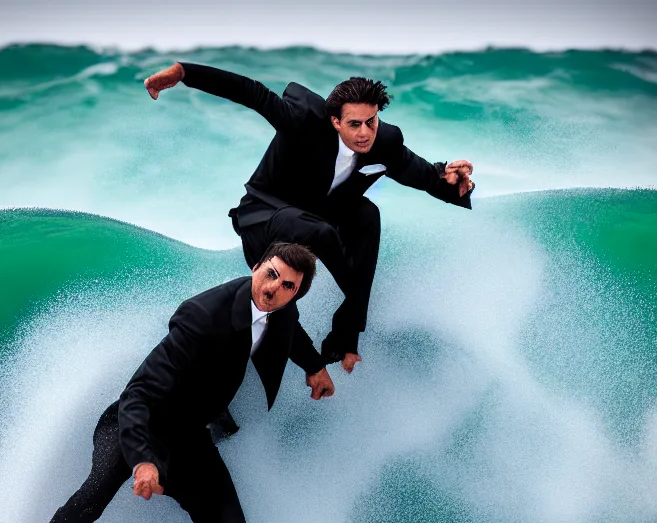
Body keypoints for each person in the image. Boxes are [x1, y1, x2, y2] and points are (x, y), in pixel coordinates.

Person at [11, 242, 333, 523]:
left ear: (295, 294)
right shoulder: (202, 315)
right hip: (139, 421)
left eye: (288, 286)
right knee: (90, 499)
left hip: (188, 434)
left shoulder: (283, 308)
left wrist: (315, 367)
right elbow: (138, 395)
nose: (274, 288)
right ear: (256, 265)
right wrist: (144, 460)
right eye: (270, 274)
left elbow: (290, 332)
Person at [144, 62, 475, 371]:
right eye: (355, 124)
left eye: (371, 122)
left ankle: (342, 340)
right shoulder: (304, 121)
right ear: (335, 121)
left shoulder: (384, 141)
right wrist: (184, 73)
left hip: (317, 219)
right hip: (266, 215)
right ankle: (217, 367)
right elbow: (251, 92)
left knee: (366, 215)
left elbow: (421, 173)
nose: (365, 133)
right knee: (284, 280)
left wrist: (452, 184)